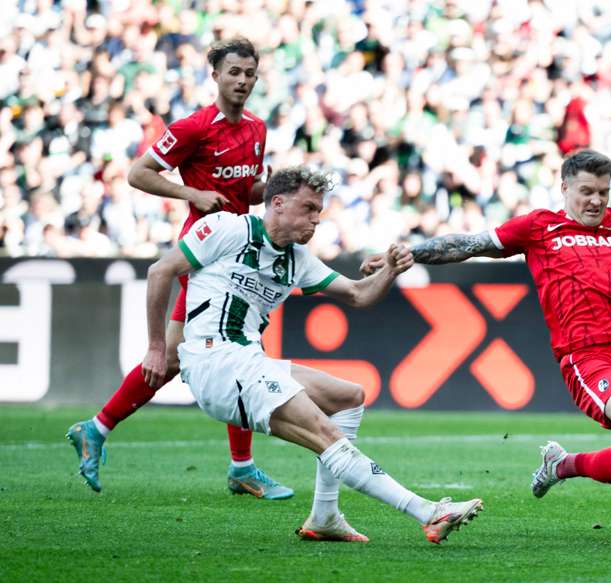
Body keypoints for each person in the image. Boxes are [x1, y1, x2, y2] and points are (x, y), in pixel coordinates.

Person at [363, 122, 611, 504]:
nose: (596, 201)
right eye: (586, 192)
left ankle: (560, 465)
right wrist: (411, 254)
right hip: (586, 353)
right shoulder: (539, 228)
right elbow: (470, 243)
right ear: (565, 188)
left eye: (603, 192)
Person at [142, 166, 483, 543]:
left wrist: (390, 269)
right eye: (308, 208)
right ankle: (429, 512)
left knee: (348, 397)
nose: (316, 219)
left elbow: (358, 294)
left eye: (319, 210)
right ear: (277, 203)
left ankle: (325, 515)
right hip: (215, 362)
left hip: (247, 361)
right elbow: (161, 271)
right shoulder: (229, 228)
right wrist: (158, 347)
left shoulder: (297, 260)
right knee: (326, 433)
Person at [66, 37, 292, 500]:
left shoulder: (257, 128)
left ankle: (97, 428)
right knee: (239, 351)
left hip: (237, 252)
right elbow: (138, 172)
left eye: (249, 73)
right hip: (204, 255)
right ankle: (242, 468)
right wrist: (189, 193)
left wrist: (278, 192)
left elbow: (244, 191)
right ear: (215, 75)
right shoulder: (193, 128)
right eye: (234, 72)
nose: (243, 81)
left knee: (171, 359)